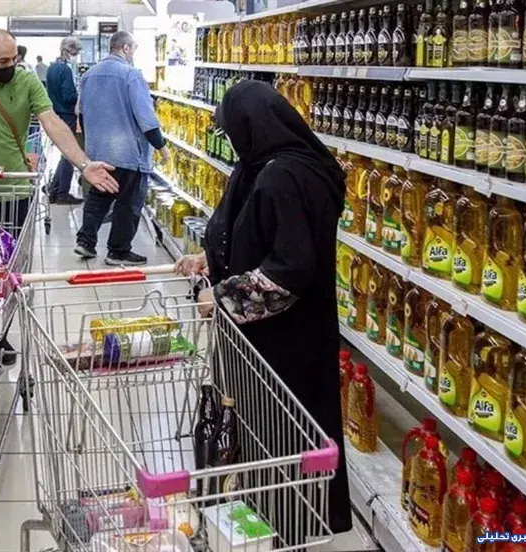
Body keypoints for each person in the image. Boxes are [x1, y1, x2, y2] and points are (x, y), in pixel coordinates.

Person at [174, 80, 352, 537]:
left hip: (281, 347)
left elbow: (289, 272)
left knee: (278, 441)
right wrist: (211, 259)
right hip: (272, 341)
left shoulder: (285, 177)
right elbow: (254, 234)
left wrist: (223, 295)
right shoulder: (269, 166)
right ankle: (268, 521)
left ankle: (282, 531)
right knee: (265, 439)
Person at [0, 28, 117, 394]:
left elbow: (52, 123)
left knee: (6, 277)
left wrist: (83, 164)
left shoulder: (27, 80)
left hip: (14, 192)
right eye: (3, 61)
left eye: (14, 58)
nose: (11, 65)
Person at [75, 31, 169, 266]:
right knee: (129, 203)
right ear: (126, 48)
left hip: (99, 151)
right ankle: (118, 251)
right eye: (133, 49)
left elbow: (82, 113)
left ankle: (86, 242)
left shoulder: (89, 75)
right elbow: (145, 116)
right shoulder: (131, 74)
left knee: (99, 197)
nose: (133, 53)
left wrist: (91, 144)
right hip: (128, 151)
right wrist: (161, 146)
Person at [45, 37, 85, 205]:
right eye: (76, 52)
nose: (76, 56)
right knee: (70, 155)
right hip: (67, 114)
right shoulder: (65, 70)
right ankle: (62, 194)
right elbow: (69, 96)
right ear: (69, 51)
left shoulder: (51, 68)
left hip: (56, 113)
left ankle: (54, 190)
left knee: (64, 153)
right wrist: (80, 95)